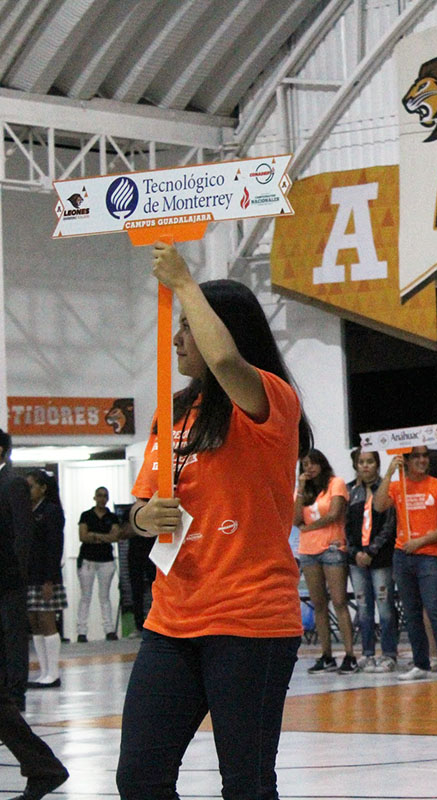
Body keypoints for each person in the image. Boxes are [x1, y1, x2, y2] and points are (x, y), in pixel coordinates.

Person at [116, 241, 312, 800]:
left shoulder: (270, 399)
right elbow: (141, 505)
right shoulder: (172, 410)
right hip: (172, 620)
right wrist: (142, 515)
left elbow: (226, 363)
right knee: (140, 780)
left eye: (189, 326)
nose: (178, 338)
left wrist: (184, 281)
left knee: (246, 786)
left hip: (249, 621)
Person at [0, 428, 69, 799]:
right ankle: (43, 768)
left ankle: (44, 767)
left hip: (7, 586)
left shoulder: (11, 485)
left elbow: (21, 538)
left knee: (22, 636)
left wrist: (19, 580)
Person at [374, 446, 437, 682]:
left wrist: (420, 541)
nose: (422, 460)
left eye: (424, 456)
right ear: (406, 461)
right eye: (416, 457)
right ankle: (420, 663)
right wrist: (389, 474)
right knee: (410, 613)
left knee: (434, 610)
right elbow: (379, 506)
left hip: (429, 556)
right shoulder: (397, 485)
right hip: (402, 556)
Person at [294, 449, 355, 674]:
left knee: (339, 601)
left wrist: (308, 528)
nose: (309, 468)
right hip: (308, 551)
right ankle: (326, 655)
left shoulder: (335, 483)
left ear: (322, 463)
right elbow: (294, 519)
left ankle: (349, 655)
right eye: (305, 465)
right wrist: (300, 488)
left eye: (312, 464)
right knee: (319, 604)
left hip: (332, 548)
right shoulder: (306, 491)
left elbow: (335, 513)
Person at [346, 448, 398, 673]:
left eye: (370, 462)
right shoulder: (350, 492)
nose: (365, 466)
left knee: (385, 607)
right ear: (356, 465)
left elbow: (389, 525)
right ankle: (367, 654)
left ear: (377, 465)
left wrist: (371, 551)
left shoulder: (385, 490)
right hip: (356, 560)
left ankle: (389, 654)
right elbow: (345, 527)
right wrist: (355, 552)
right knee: (364, 607)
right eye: (361, 462)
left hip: (380, 558)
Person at [25, 471, 65, 689]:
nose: (28, 491)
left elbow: (54, 546)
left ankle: (53, 672)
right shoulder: (30, 511)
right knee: (34, 622)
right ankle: (44, 671)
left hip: (45, 575)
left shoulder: (51, 512)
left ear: (43, 488)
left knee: (47, 620)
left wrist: (49, 579)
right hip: (30, 574)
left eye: (31, 486)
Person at [76, 486, 121, 642]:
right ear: (94, 497)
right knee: (85, 597)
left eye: (105, 496)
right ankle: (81, 631)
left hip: (106, 561)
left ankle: (109, 630)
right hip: (88, 560)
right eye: (99, 495)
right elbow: (82, 536)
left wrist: (94, 535)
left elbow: (115, 536)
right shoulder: (86, 515)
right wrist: (104, 537)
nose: (102, 498)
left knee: (104, 596)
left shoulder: (112, 517)